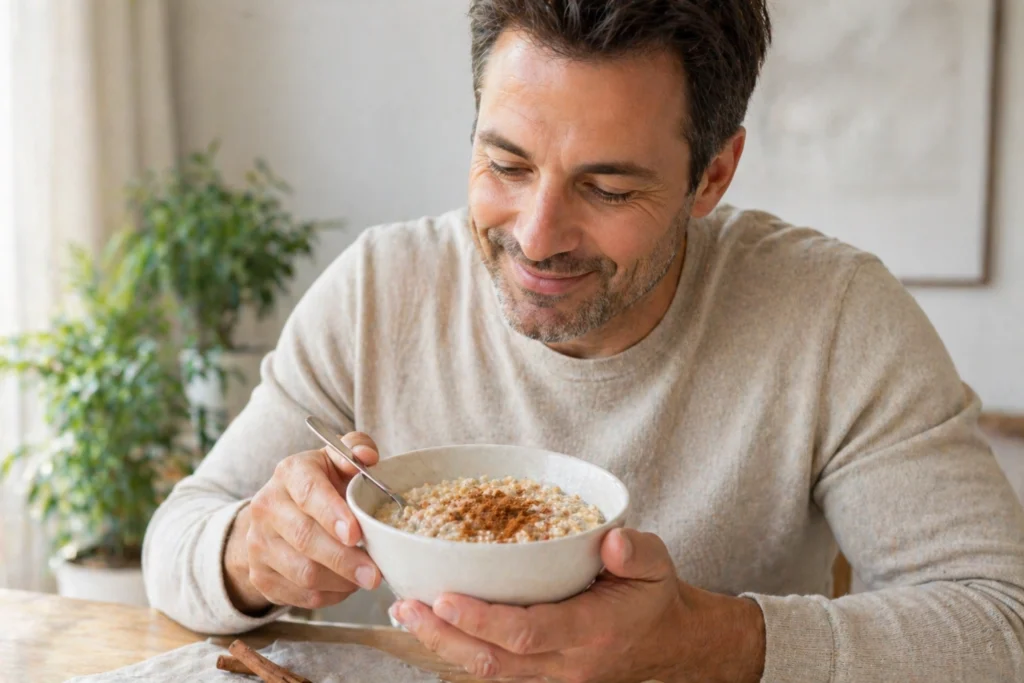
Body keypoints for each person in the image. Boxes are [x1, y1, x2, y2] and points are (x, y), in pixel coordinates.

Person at [142, 1, 1024, 681]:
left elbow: (1000, 621)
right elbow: (176, 540)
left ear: (712, 173)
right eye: (507, 164)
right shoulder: (382, 289)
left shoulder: (836, 318)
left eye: (606, 187)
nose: (536, 234)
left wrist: (710, 643)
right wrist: (249, 554)